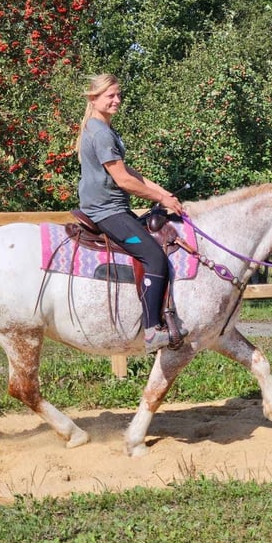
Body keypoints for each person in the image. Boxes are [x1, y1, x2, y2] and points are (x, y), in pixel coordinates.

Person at [76, 74, 184, 353]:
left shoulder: (102, 129)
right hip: (107, 211)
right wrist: (160, 197)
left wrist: (165, 194)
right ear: (94, 98)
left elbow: (128, 173)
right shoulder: (100, 133)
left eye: (118, 95)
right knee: (155, 257)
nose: (117, 100)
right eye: (110, 95)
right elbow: (123, 181)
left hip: (111, 207)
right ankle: (151, 331)